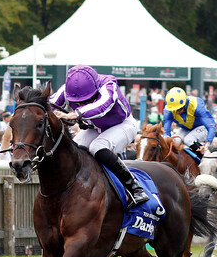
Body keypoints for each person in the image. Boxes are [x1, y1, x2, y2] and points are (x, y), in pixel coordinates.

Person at [50, 65, 148, 209]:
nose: (81, 104)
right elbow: (48, 105)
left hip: (123, 124)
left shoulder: (109, 85)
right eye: (77, 102)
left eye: (87, 99)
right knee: (72, 148)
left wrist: (75, 114)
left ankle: (134, 188)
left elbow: (102, 107)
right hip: (96, 127)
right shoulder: (67, 89)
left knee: (98, 147)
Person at [162, 87, 217, 157]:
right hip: (186, 128)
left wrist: (207, 144)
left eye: (179, 109)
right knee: (175, 141)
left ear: (185, 103)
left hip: (203, 127)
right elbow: (166, 133)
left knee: (188, 139)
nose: (177, 112)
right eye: (174, 110)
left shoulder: (196, 105)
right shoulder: (168, 110)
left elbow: (211, 126)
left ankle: (205, 157)